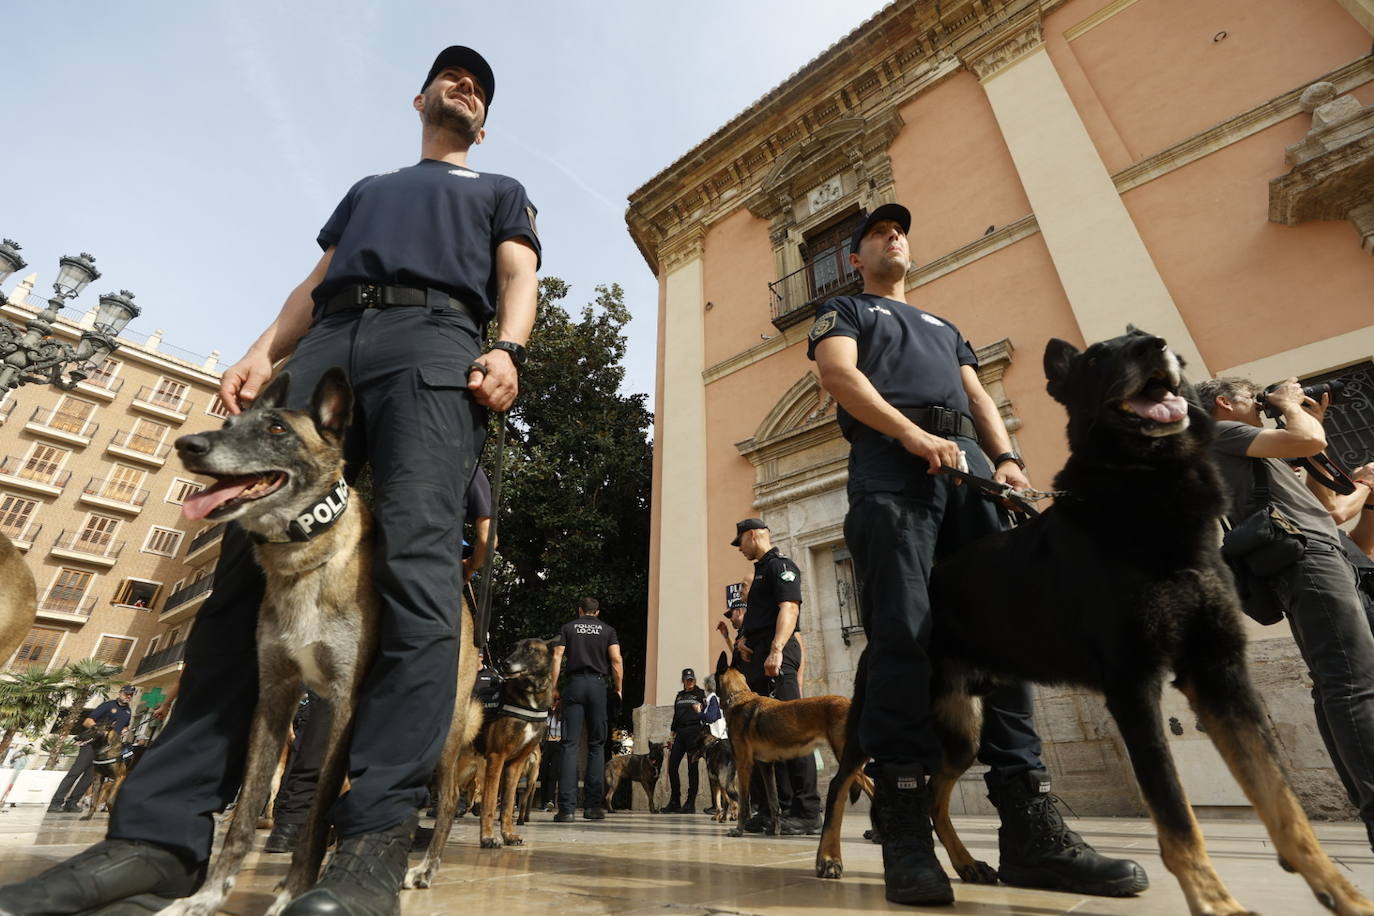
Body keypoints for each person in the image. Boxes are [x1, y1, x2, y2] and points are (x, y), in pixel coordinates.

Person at [0, 45, 539, 916]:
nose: (465, 84)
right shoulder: (370, 191)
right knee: (241, 576)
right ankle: (158, 839)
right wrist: (262, 350)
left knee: (417, 569)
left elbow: (519, 274)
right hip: (329, 339)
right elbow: (316, 280)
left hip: (437, 345)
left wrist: (507, 347)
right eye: (451, 75)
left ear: (486, 115)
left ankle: (370, 846)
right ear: (421, 97)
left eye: (478, 83)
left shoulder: (497, 191)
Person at [808, 204, 1146, 905]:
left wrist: (1010, 462)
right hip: (892, 469)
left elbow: (978, 396)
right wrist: (906, 433)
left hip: (971, 474)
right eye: (876, 234)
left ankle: (1029, 827)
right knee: (904, 636)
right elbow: (839, 378)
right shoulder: (847, 313)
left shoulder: (945, 327)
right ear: (855, 258)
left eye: (901, 229)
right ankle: (904, 828)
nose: (894, 237)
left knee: (1008, 638)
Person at [1197, 376, 1374, 850]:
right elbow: (1307, 440)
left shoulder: (1255, 449)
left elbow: (1331, 509)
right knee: (1352, 685)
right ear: (1223, 403)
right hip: (1308, 562)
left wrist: (1310, 421)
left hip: (1323, 552)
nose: (1263, 405)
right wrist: (1289, 404)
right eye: (1253, 398)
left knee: (1345, 683)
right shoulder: (1219, 432)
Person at [730, 518, 820, 836]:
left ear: (754, 536)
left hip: (775, 657)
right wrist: (742, 640)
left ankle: (807, 811)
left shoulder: (782, 566)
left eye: (740, 540)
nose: (738, 547)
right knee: (765, 739)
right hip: (759, 658)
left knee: (793, 731)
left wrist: (777, 649)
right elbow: (758, 618)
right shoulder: (760, 573)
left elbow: (789, 609)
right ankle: (771, 810)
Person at [550, 597, 623, 822]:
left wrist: (553, 687)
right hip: (597, 687)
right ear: (597, 612)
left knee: (569, 745)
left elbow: (557, 656)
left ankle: (567, 810)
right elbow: (616, 661)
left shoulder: (568, 628)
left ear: (580, 611)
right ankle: (592, 807)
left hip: (574, 685)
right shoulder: (608, 630)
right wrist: (618, 688)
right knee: (596, 746)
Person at [47, 684, 135, 814]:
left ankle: (72, 803)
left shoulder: (128, 712)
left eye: (131, 694)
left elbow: (125, 727)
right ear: (120, 693)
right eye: (126, 693)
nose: (128, 696)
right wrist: (101, 732)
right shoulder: (108, 705)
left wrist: (124, 730)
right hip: (91, 744)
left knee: (90, 777)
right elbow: (87, 721)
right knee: (75, 772)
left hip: (106, 750)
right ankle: (56, 802)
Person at [664, 668, 707, 814]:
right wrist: (671, 735)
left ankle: (690, 803)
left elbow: (705, 714)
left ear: (694, 680)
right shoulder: (679, 696)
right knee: (672, 766)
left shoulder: (700, 694)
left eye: (691, 680)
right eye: (687, 680)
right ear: (683, 681)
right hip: (680, 733)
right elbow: (676, 717)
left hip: (694, 732)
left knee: (692, 768)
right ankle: (675, 801)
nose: (689, 682)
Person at [462, 467, 493, 584]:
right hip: (438, 578)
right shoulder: (469, 468)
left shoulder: (405, 458)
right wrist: (470, 567)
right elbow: (488, 540)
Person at [538, 703, 564, 811]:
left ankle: (550, 800)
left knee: (553, 774)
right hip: (547, 745)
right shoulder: (547, 715)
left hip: (558, 745)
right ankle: (543, 801)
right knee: (543, 773)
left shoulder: (562, 716)